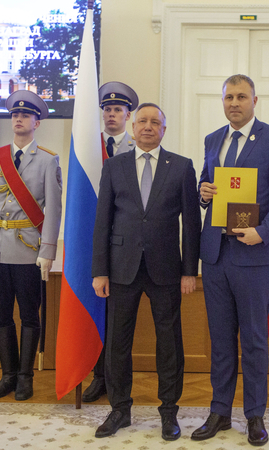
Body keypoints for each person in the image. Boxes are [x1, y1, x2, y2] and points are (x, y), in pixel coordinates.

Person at [192, 74, 269, 447]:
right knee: (220, 339)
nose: (234, 103)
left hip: (254, 253)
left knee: (253, 339)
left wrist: (264, 232)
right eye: (228, 97)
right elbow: (208, 188)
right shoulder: (212, 140)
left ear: (255, 100)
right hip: (217, 254)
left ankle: (255, 415)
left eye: (241, 97)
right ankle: (220, 411)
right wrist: (203, 193)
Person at [91, 102, 201, 440]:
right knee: (117, 344)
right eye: (142, 121)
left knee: (169, 343)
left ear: (164, 129)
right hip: (121, 269)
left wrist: (189, 271)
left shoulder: (182, 167)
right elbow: (102, 222)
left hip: (167, 269)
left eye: (156, 122)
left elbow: (191, 225)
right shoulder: (114, 166)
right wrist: (100, 271)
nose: (148, 127)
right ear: (132, 125)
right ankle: (120, 409)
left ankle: (169, 412)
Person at [0, 90, 62, 401]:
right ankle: (8, 375)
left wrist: (47, 251)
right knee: (1, 315)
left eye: (25, 115)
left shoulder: (49, 160)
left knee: (29, 315)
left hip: (28, 250)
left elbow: (53, 209)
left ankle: (25, 377)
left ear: (36, 122)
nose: (18, 119)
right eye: (14, 115)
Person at [82, 81, 139, 404]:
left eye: (118, 109)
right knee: (94, 310)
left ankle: (113, 379)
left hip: (126, 249)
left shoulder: (138, 148)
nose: (111, 114)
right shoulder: (88, 150)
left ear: (128, 115)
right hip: (94, 241)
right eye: (107, 109)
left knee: (117, 321)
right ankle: (97, 376)